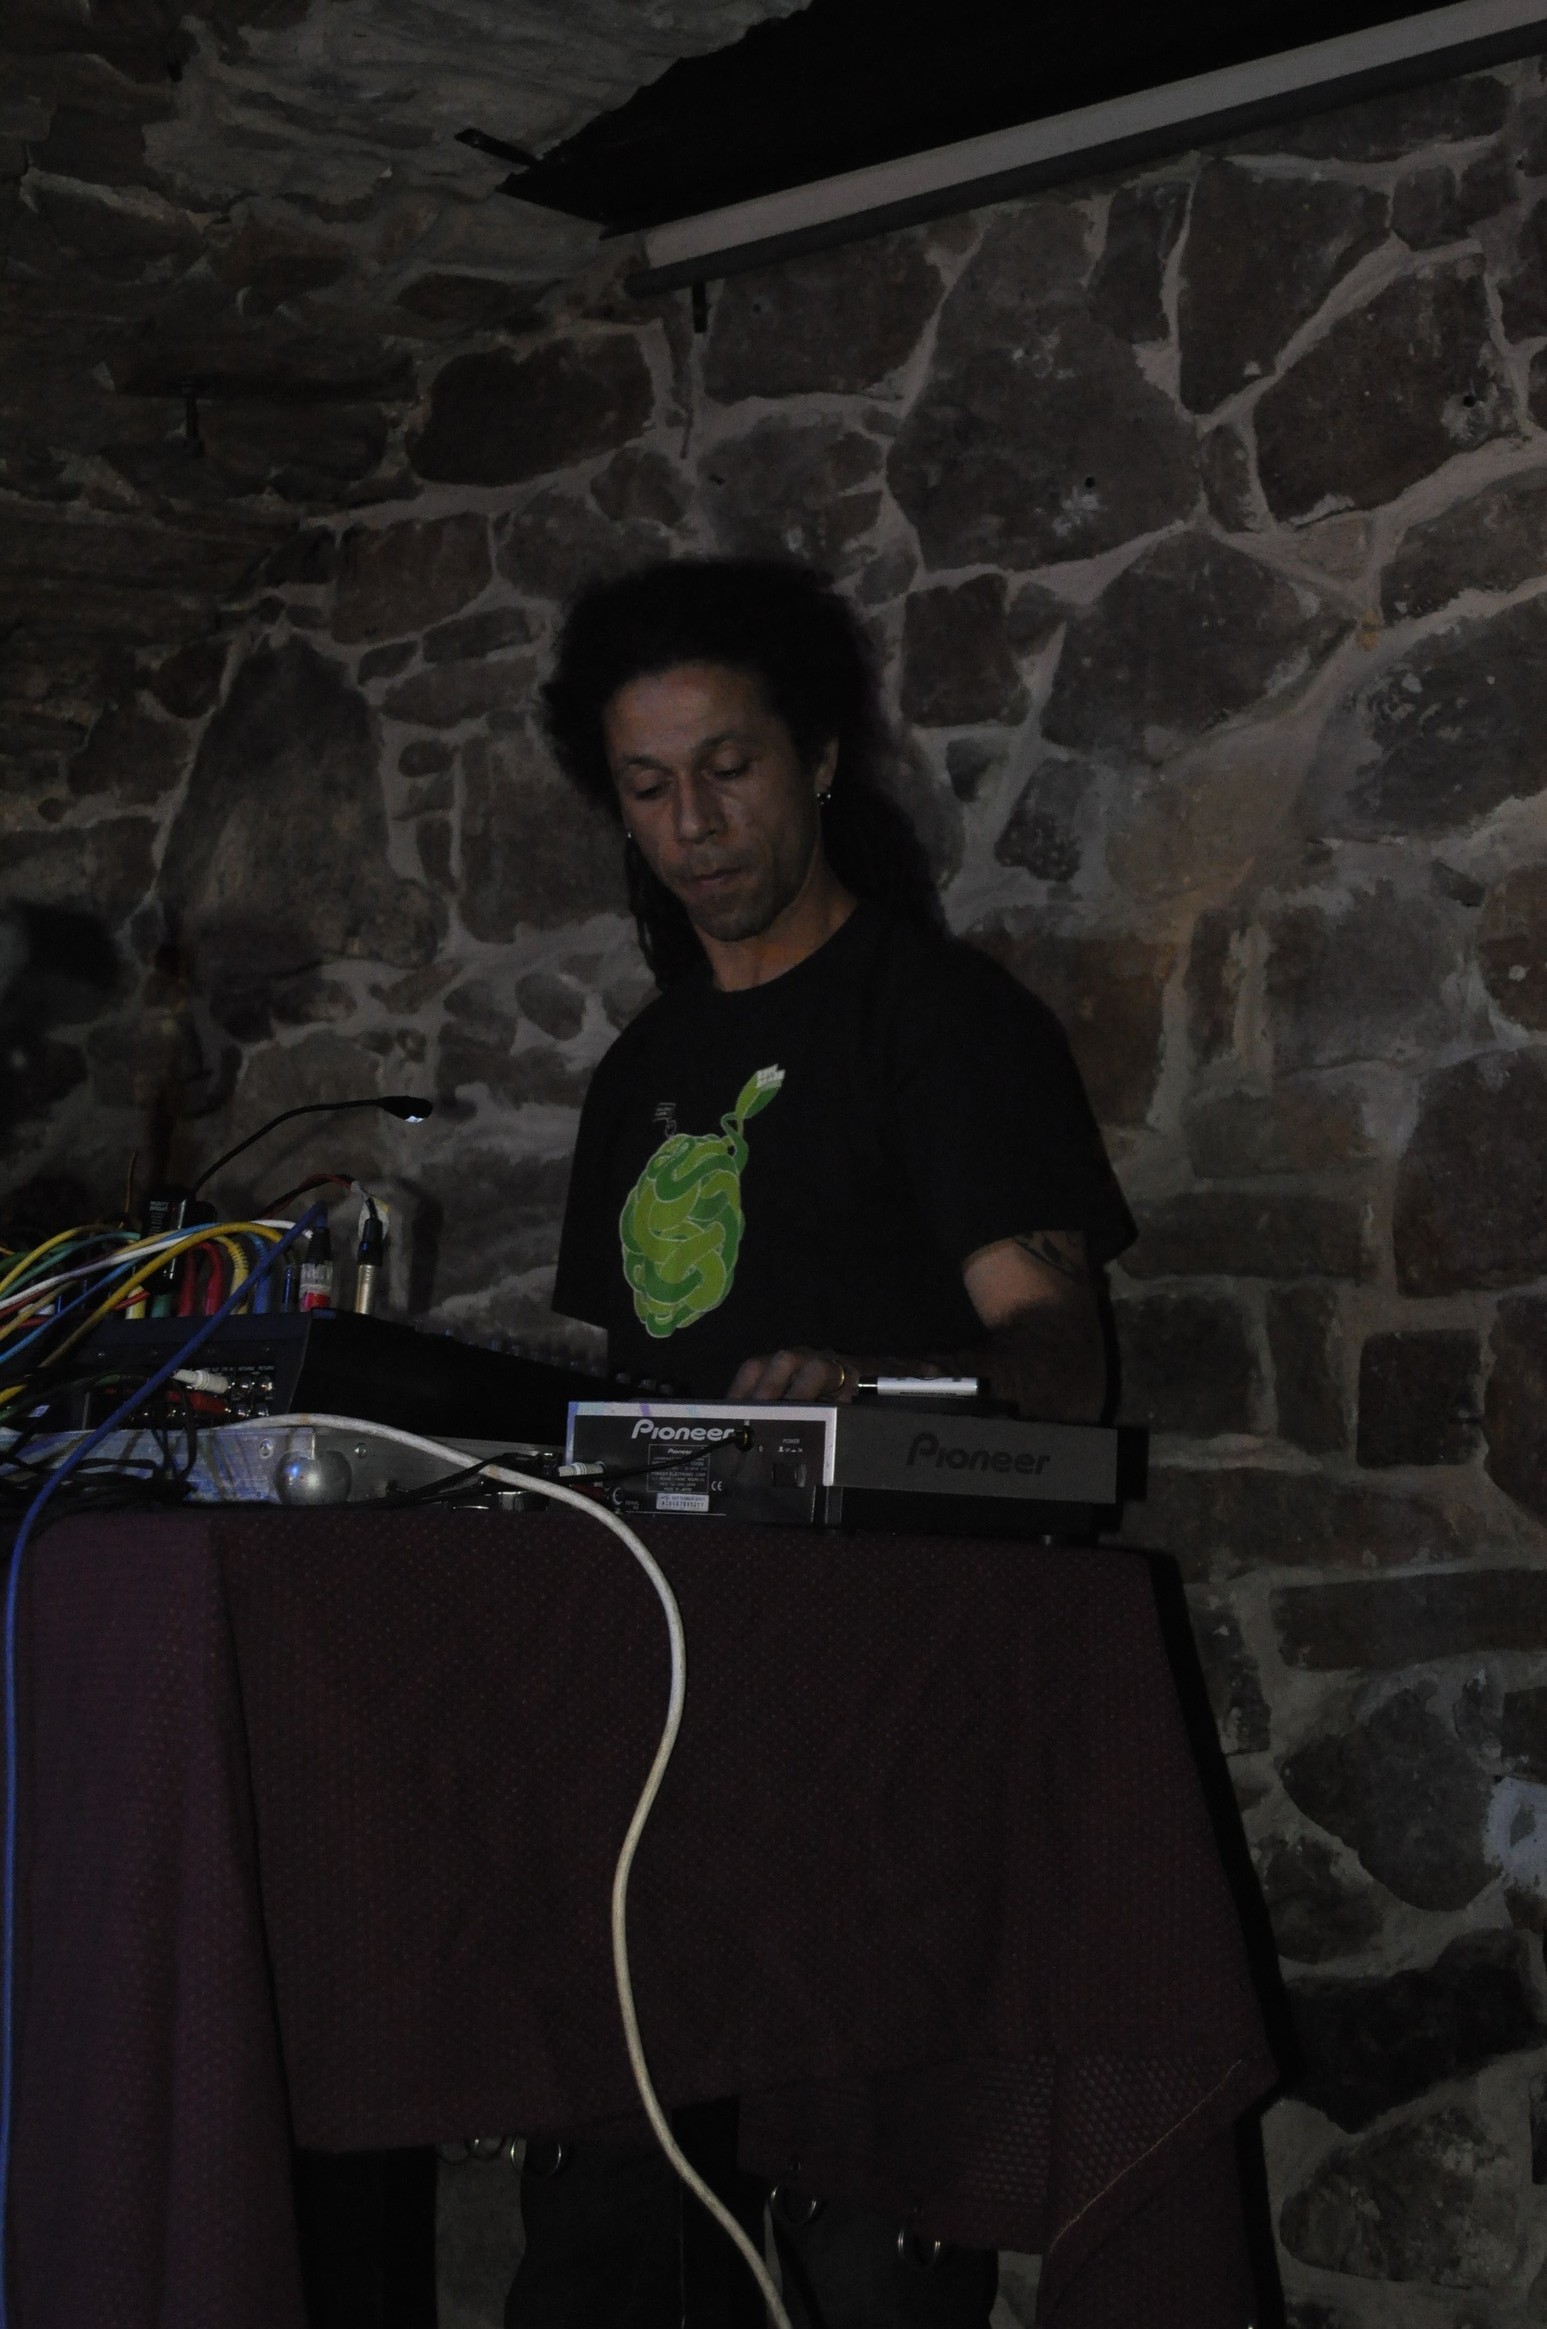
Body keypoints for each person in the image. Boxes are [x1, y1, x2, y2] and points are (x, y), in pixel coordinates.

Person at [511, 557, 1134, 2329]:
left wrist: (876, 1385)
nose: (692, 826)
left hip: (881, 1740)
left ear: (822, 759)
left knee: (866, 2244)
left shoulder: (944, 1025)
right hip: (663, 1737)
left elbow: (1062, 1363)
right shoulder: (639, 1076)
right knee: (612, 2236)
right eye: (649, 787)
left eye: (729, 769)